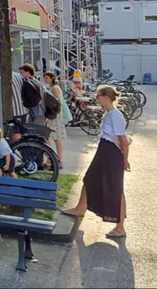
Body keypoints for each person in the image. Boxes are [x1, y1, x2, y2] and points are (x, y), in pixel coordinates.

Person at [62, 86, 130, 239]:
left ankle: (120, 227)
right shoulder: (109, 114)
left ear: (105, 96)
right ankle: (80, 208)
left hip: (111, 153)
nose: (96, 98)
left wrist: (125, 160)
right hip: (105, 150)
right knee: (90, 178)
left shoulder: (115, 115)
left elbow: (123, 141)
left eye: (98, 95)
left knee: (116, 188)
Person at [42, 71, 66, 170]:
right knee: (53, 138)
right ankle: (51, 160)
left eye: (47, 78)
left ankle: (56, 159)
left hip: (55, 116)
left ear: (52, 78)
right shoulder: (53, 88)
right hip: (55, 115)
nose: (45, 79)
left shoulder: (54, 88)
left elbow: (57, 102)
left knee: (52, 137)